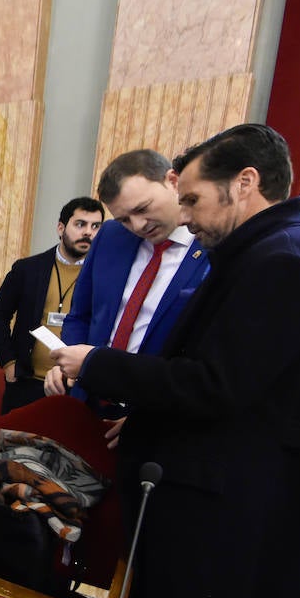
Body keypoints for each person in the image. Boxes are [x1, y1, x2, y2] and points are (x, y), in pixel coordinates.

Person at [51, 123, 300, 598]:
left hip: (226, 502)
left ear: (244, 183)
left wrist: (97, 364)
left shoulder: (280, 260)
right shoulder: (268, 251)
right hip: (213, 488)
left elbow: (215, 386)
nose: (183, 215)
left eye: (192, 199)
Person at [49, 150, 211, 419]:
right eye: (124, 218)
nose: (137, 225)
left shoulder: (209, 246)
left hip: (154, 413)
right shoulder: (111, 236)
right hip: (89, 401)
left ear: (172, 181)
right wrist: (69, 364)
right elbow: (81, 315)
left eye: (142, 208)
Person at [0, 196, 103, 411]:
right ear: (61, 228)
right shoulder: (27, 269)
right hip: (25, 383)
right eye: (80, 224)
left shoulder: (104, 277)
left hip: (75, 388)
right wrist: (9, 363)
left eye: (96, 226)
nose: (88, 232)